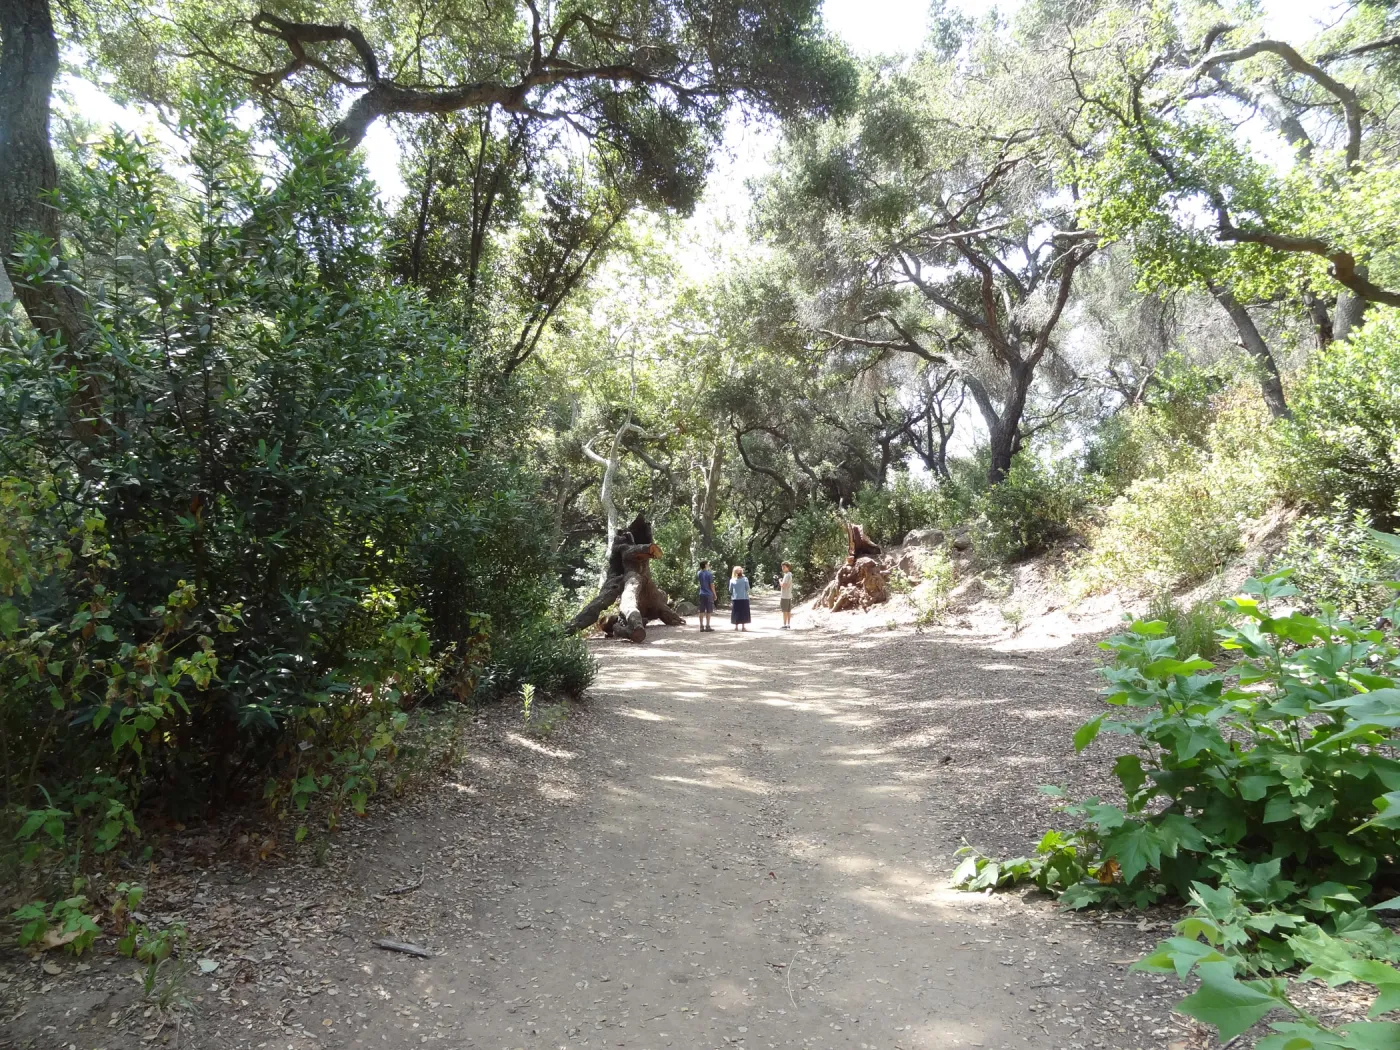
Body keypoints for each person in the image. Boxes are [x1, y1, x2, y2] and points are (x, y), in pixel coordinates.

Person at [695, 560, 716, 632]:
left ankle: (701, 626)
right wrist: (714, 594)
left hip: (702, 593)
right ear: (705, 565)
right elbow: (711, 585)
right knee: (708, 610)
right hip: (709, 594)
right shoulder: (709, 574)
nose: (709, 565)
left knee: (701, 610)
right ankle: (707, 626)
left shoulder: (699, 573)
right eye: (708, 564)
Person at [729, 566, 751, 632]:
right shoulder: (745, 579)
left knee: (736, 612)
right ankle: (743, 627)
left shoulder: (732, 580)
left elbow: (730, 590)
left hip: (735, 598)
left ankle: (736, 627)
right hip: (744, 598)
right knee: (743, 612)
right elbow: (747, 588)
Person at [778, 561, 794, 629]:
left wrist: (780, 581)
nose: (783, 568)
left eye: (784, 567)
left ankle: (785, 625)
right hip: (788, 595)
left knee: (785, 611)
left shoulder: (787, 575)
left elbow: (783, 585)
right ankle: (788, 624)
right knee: (788, 611)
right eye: (782, 567)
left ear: (788, 567)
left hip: (785, 596)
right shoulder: (789, 574)